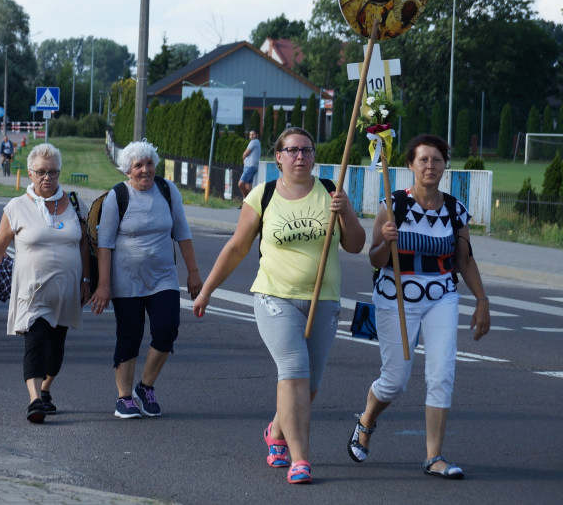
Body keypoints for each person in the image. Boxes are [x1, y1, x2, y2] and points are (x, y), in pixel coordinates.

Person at [192, 127, 365, 484]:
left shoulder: (331, 192)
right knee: (294, 370)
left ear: (314, 156)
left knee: (310, 383)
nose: (300, 156)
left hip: (324, 300)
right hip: (275, 297)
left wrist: (345, 212)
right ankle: (300, 459)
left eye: (307, 150)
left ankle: (277, 430)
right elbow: (237, 248)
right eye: (292, 150)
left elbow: (355, 245)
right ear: (278, 158)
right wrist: (207, 290)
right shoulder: (263, 195)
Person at [346, 134, 490, 480]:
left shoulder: (455, 210)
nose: (430, 166)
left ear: (445, 165)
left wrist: (482, 301)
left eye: (437, 160)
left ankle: (434, 456)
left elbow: (464, 260)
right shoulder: (393, 204)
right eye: (423, 160)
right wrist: (387, 242)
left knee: (442, 373)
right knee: (395, 381)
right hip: (396, 298)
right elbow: (375, 258)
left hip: (442, 296)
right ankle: (366, 420)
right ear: (410, 165)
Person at [0, 143, 89, 422]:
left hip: (66, 292)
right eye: (41, 172)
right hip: (33, 291)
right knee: (35, 340)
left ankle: (45, 389)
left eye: (53, 172)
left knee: (56, 351)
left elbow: (84, 242)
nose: (48, 178)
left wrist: (87, 279)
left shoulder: (73, 203)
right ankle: (35, 400)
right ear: (31, 174)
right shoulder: (17, 207)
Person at [88, 140, 203, 421]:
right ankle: (124, 398)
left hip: (163, 277)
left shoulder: (167, 190)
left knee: (167, 329)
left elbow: (183, 232)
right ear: (128, 170)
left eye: (149, 163)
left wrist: (193, 272)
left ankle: (146, 387)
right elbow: (105, 244)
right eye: (138, 165)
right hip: (126, 279)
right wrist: (103, 285)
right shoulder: (118, 196)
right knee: (130, 334)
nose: (145, 170)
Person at [239, 129, 261, 198]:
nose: (251, 136)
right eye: (250, 134)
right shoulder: (257, 142)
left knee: (241, 184)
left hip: (250, 166)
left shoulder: (254, 142)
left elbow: (245, 154)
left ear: (257, 135)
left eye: (253, 134)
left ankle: (247, 200)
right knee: (248, 185)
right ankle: (250, 203)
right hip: (252, 166)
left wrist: (243, 158)